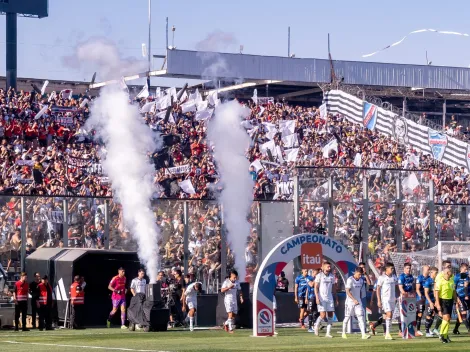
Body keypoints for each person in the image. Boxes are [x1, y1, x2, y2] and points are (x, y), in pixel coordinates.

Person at [342, 267, 371, 340]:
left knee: (361, 317)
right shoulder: (350, 280)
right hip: (350, 302)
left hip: (358, 301)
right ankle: (343, 333)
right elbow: (347, 291)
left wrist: (359, 299)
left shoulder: (361, 280)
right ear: (355, 272)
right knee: (347, 317)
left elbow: (360, 291)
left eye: (361, 274)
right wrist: (354, 299)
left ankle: (363, 335)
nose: (360, 276)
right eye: (359, 274)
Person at [314, 261, 338, 337]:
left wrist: (336, 298)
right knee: (323, 315)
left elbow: (334, 288)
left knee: (330, 315)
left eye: (330, 266)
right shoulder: (319, 276)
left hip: (330, 298)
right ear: (323, 267)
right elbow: (316, 287)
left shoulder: (332, 276)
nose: (329, 268)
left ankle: (328, 333)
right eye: (328, 266)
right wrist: (317, 297)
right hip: (322, 298)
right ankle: (316, 325)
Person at [434, 260, 456, 343]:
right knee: (445, 318)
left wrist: (456, 299)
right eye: (448, 266)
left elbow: (453, 288)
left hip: (449, 300)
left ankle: (445, 335)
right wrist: (436, 302)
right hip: (442, 299)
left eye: (450, 266)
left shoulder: (452, 277)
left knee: (448, 319)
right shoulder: (439, 276)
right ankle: (441, 334)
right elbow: (436, 289)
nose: (450, 268)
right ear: (444, 267)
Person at [377, 262, 398, 340]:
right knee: (389, 314)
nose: (392, 270)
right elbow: (378, 289)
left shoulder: (394, 277)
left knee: (390, 316)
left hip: (392, 299)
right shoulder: (382, 277)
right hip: (385, 299)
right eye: (391, 268)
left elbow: (396, 287)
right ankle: (387, 334)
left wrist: (398, 296)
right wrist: (379, 300)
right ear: (387, 269)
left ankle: (387, 332)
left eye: (393, 268)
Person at [398, 262, 415, 336]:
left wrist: (412, 293)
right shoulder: (401, 276)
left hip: (410, 297)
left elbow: (412, 287)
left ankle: (411, 332)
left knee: (411, 314)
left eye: (409, 268)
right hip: (404, 297)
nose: (408, 270)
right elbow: (400, 287)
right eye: (407, 268)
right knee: (403, 315)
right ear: (404, 269)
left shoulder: (411, 276)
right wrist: (405, 294)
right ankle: (402, 331)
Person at [453, 263, 470, 334]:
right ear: (461, 269)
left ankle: (455, 329)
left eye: (467, 269)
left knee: (462, 315)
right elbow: (453, 288)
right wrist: (456, 298)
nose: (466, 271)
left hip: (468, 298)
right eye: (465, 269)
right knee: (464, 314)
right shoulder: (457, 277)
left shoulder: (467, 277)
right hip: (460, 298)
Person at [423, 267, 440, 337]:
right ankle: (427, 332)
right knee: (429, 316)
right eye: (435, 273)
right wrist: (430, 302)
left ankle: (432, 329)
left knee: (437, 315)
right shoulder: (428, 281)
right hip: (429, 301)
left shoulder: (436, 281)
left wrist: (436, 301)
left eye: (437, 273)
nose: (436, 274)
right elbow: (426, 293)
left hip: (435, 301)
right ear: (431, 273)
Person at [415, 265, 430, 336]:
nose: (428, 270)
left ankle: (428, 329)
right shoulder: (419, 278)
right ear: (423, 270)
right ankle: (417, 330)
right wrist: (421, 296)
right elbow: (417, 289)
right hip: (420, 299)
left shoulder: (430, 278)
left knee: (430, 313)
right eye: (427, 269)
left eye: (429, 269)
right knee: (420, 314)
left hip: (428, 299)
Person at [358, 262, 371, 333]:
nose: (363, 269)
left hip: (363, 296)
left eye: (364, 267)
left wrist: (366, 275)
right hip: (357, 296)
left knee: (363, 312)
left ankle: (363, 328)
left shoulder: (364, 276)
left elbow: (369, 283)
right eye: (362, 267)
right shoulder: (357, 276)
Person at [306, 268, 320, 333]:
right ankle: (309, 327)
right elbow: (311, 285)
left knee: (317, 312)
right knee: (311, 312)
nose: (317, 275)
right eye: (316, 274)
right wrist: (306, 298)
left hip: (317, 297)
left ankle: (315, 325)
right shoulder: (308, 278)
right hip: (311, 297)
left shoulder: (319, 279)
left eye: (318, 274)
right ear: (313, 273)